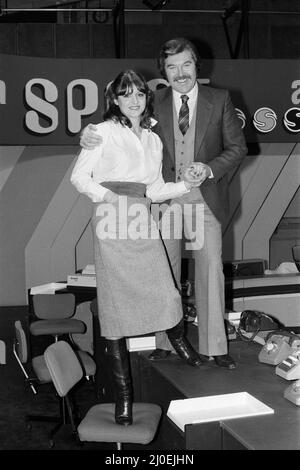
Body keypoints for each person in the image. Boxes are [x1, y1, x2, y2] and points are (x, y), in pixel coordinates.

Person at [80, 38, 248, 371]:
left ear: (196, 66)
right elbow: (118, 126)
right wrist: (85, 135)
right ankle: (166, 342)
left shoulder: (220, 100)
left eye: (186, 64)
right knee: (164, 272)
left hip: (204, 200)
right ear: (165, 72)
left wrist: (210, 168)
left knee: (209, 269)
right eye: (172, 67)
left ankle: (215, 345)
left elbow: (237, 147)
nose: (180, 73)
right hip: (165, 201)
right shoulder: (152, 102)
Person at [70, 69, 204, 427]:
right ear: (114, 99)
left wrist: (183, 185)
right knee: (114, 308)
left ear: (146, 98)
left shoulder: (153, 138)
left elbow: (154, 188)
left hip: (142, 218)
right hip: (111, 219)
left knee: (165, 288)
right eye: (126, 94)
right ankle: (124, 398)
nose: (134, 100)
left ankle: (179, 340)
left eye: (140, 95)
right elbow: (79, 178)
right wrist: (110, 197)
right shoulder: (101, 132)